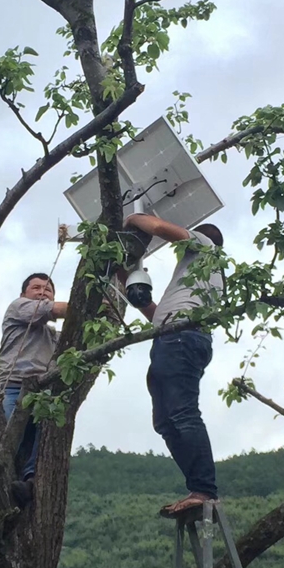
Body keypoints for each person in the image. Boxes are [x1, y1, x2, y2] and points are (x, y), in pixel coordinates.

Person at [123, 213, 224, 516]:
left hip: (180, 338)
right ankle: (197, 487)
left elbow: (158, 228)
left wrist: (132, 217)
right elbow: (159, 319)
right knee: (166, 421)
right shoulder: (195, 278)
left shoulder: (205, 247)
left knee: (181, 413)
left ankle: (204, 489)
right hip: (173, 337)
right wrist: (131, 287)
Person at [0, 273, 67, 529]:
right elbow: (60, 310)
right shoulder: (19, 308)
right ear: (23, 294)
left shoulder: (52, 336)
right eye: (36, 287)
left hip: (42, 390)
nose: (42, 292)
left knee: (44, 435)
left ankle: (29, 481)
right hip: (13, 386)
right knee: (1, 447)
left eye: (48, 289)